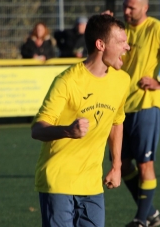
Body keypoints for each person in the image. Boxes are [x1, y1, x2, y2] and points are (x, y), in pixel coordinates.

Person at [31, 14, 130, 227]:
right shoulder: (67, 81)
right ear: (100, 44)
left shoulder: (122, 80)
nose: (127, 47)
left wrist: (116, 165)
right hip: (58, 181)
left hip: (92, 185)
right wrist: (68, 131)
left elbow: (116, 122)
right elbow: (37, 130)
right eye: (121, 42)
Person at [104, 0, 160, 227]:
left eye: (131, 7)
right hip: (121, 106)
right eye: (124, 5)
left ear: (145, 7)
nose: (126, 10)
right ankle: (150, 213)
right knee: (120, 163)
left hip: (146, 105)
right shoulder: (119, 30)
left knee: (145, 163)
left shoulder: (157, 29)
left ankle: (141, 220)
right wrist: (104, 25)